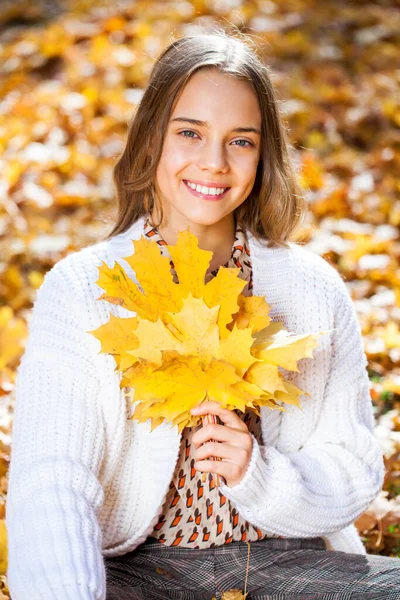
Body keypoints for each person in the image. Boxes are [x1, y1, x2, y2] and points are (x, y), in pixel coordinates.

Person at [5, 30, 400, 600]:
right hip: (137, 573)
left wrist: (258, 477)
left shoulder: (312, 288)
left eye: (240, 141)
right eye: (189, 133)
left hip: (284, 564)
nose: (213, 163)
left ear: (262, 155)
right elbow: (53, 484)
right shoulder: (83, 289)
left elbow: (354, 466)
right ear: (150, 141)